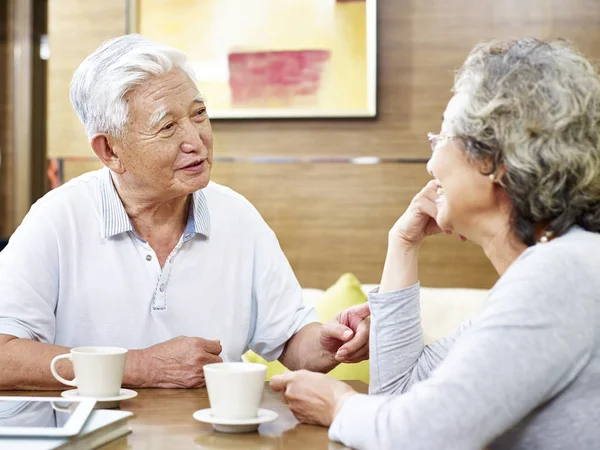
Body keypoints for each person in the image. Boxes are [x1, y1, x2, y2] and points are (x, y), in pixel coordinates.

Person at [271, 37, 600, 449]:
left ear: (494, 160)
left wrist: (338, 404)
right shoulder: (557, 270)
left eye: (442, 138)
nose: (430, 162)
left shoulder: (560, 277)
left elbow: (423, 436)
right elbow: (400, 391)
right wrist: (403, 244)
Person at [0, 34, 370, 390]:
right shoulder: (57, 219)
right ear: (110, 151)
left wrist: (331, 342)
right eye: (167, 127)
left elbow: (290, 342)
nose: (196, 141)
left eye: (199, 114)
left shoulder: (237, 216)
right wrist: (141, 366)